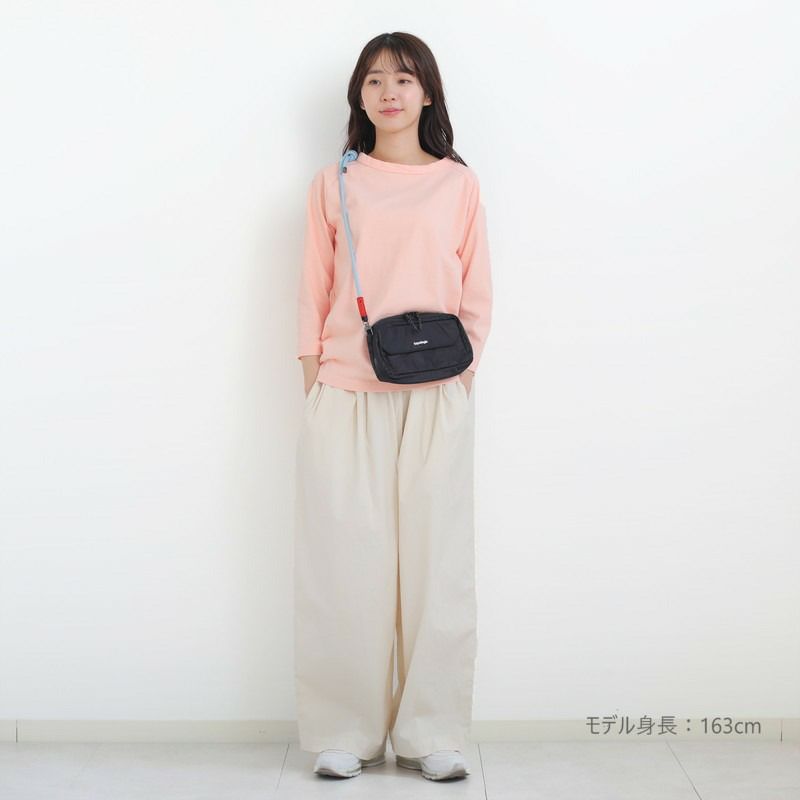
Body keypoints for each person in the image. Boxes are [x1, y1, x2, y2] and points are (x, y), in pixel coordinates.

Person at [293, 31, 493, 782]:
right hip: (347, 393)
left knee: (438, 567)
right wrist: (314, 377)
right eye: (374, 80)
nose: (389, 93)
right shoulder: (334, 183)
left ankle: (432, 732)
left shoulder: (458, 184)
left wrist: (462, 379)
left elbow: (478, 292)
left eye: (404, 80)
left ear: (427, 92)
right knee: (347, 565)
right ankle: (346, 730)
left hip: (437, 392)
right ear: (360, 95)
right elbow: (312, 285)